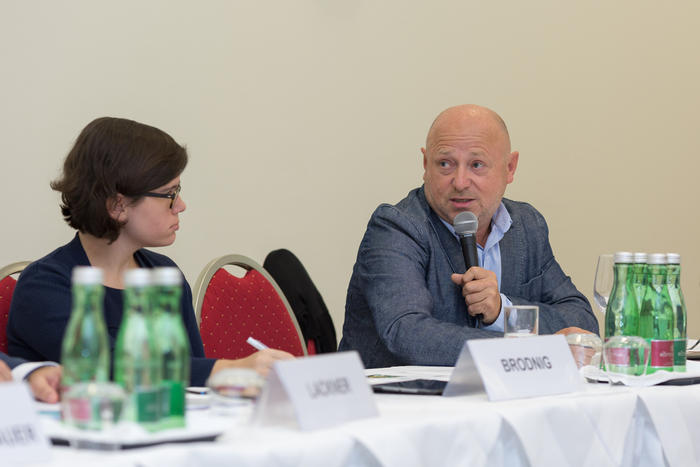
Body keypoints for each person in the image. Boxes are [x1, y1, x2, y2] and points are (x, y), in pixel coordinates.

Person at [7, 117, 292, 386]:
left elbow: (190, 372)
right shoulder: (44, 285)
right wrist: (231, 369)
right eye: (169, 194)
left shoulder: (165, 274)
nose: (181, 205)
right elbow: (110, 369)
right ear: (117, 206)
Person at [339, 104, 598, 368]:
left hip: (497, 391)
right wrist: (528, 349)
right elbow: (407, 334)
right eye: (445, 164)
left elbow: (582, 323)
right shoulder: (396, 228)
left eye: (476, 165)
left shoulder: (526, 226)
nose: (460, 182)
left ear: (510, 168)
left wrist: (502, 311)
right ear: (425, 165)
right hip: (401, 394)